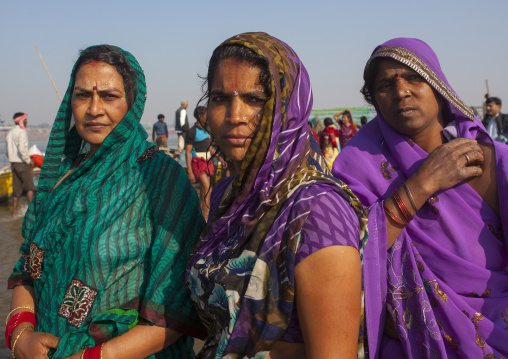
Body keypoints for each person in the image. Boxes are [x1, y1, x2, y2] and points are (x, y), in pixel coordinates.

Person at [6, 45, 206, 359]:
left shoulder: (161, 180)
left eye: (110, 96)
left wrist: (95, 356)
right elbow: (27, 273)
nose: (94, 109)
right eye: (83, 95)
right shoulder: (61, 180)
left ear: (132, 102)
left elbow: (174, 308)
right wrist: (21, 335)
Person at [186, 32, 368, 359]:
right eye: (220, 98)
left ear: (290, 108)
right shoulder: (228, 195)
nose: (234, 116)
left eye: (255, 99)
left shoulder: (317, 212)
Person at [333, 37, 508, 358]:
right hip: (410, 339)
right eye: (385, 85)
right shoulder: (357, 164)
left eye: (414, 77)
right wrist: (421, 186)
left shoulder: (495, 161)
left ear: (438, 85)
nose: (401, 91)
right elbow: (341, 257)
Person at [185, 106, 226, 220]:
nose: (208, 117)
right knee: (209, 190)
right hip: (197, 163)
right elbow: (187, 152)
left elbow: (210, 148)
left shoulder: (206, 130)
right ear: (200, 116)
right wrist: (190, 172)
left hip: (208, 162)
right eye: (205, 115)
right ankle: (205, 218)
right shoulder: (192, 131)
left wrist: (221, 159)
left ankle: (199, 215)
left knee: (203, 193)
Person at [6, 112, 36, 216]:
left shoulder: (10, 133)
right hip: (22, 163)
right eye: (25, 120)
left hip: (13, 164)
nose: (27, 121)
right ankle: (31, 212)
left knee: (16, 189)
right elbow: (22, 149)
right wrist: (29, 161)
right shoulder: (22, 133)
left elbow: (7, 151)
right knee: (30, 188)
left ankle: (14, 212)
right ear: (21, 121)